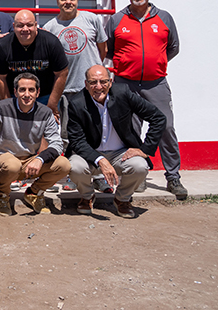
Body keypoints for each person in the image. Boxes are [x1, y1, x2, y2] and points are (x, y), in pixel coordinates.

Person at [106, 0, 187, 199]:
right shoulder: (116, 20)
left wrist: (155, 63)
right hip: (126, 84)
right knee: (130, 130)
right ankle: (137, 176)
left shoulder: (164, 17)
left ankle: (173, 177)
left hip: (156, 83)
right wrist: (128, 64)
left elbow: (173, 47)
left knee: (166, 128)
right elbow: (109, 50)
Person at [66, 65, 166, 218]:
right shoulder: (76, 103)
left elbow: (158, 117)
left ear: (110, 82)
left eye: (103, 82)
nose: (98, 87)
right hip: (91, 154)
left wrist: (144, 149)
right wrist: (100, 160)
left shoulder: (123, 93)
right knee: (74, 167)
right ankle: (87, 196)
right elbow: (77, 141)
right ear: (86, 84)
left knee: (140, 166)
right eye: (93, 82)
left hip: (121, 153)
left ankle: (122, 199)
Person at [0, 73, 70, 215]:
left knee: (63, 164)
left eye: (31, 90)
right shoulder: (3, 107)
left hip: (29, 160)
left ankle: (34, 192)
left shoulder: (45, 113)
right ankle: (2, 195)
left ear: (38, 93)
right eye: (22, 90)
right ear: (15, 92)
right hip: (2, 159)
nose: (26, 94)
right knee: (13, 165)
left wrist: (39, 159)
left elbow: (56, 143)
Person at [43, 0, 109, 192]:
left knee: (95, 133)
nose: (68, 2)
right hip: (66, 91)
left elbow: (102, 50)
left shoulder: (91, 19)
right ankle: (72, 175)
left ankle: (97, 175)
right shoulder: (50, 27)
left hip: (92, 89)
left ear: (77, 0)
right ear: (58, 1)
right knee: (66, 135)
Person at [0, 9, 69, 120]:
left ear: (36, 25)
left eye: (29, 25)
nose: (25, 29)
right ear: (13, 26)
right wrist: (8, 105)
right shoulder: (3, 45)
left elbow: (62, 73)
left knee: (46, 134)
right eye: (20, 26)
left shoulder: (51, 42)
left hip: (45, 96)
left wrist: (52, 105)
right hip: (16, 97)